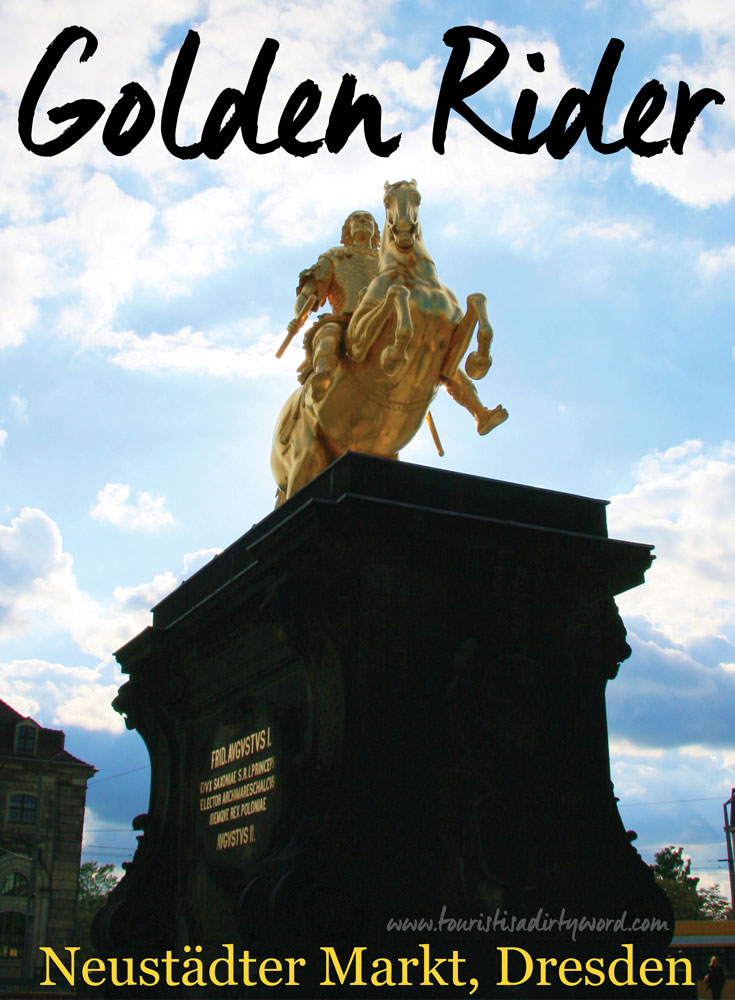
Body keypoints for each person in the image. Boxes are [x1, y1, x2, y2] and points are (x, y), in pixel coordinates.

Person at [287, 210, 380, 401]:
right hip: (345, 319)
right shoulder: (336, 256)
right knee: (329, 334)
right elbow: (309, 291)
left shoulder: (388, 260)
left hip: (384, 320)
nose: (363, 221)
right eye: (356, 219)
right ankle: (322, 378)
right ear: (347, 230)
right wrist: (299, 317)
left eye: (368, 219)